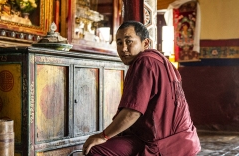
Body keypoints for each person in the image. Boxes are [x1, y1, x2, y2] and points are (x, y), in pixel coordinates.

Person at [82, 21, 201, 156]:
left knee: (96, 150)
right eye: (119, 43)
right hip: (186, 141)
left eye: (129, 42)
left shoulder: (144, 61)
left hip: (164, 144)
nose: (123, 48)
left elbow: (132, 112)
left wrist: (102, 136)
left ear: (145, 43)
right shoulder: (160, 59)